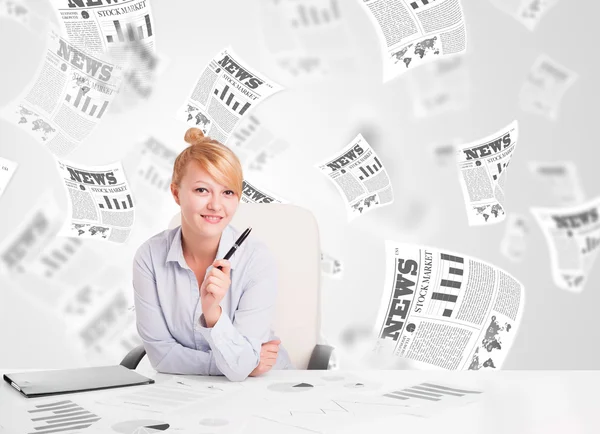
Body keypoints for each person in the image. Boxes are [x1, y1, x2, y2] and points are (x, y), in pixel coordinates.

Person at [132, 127, 293, 381]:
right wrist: (241, 362)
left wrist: (213, 313)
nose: (216, 205)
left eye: (227, 192)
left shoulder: (256, 260)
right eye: (202, 190)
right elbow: (161, 357)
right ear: (176, 193)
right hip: (191, 389)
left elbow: (240, 369)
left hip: (264, 387)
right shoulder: (149, 258)